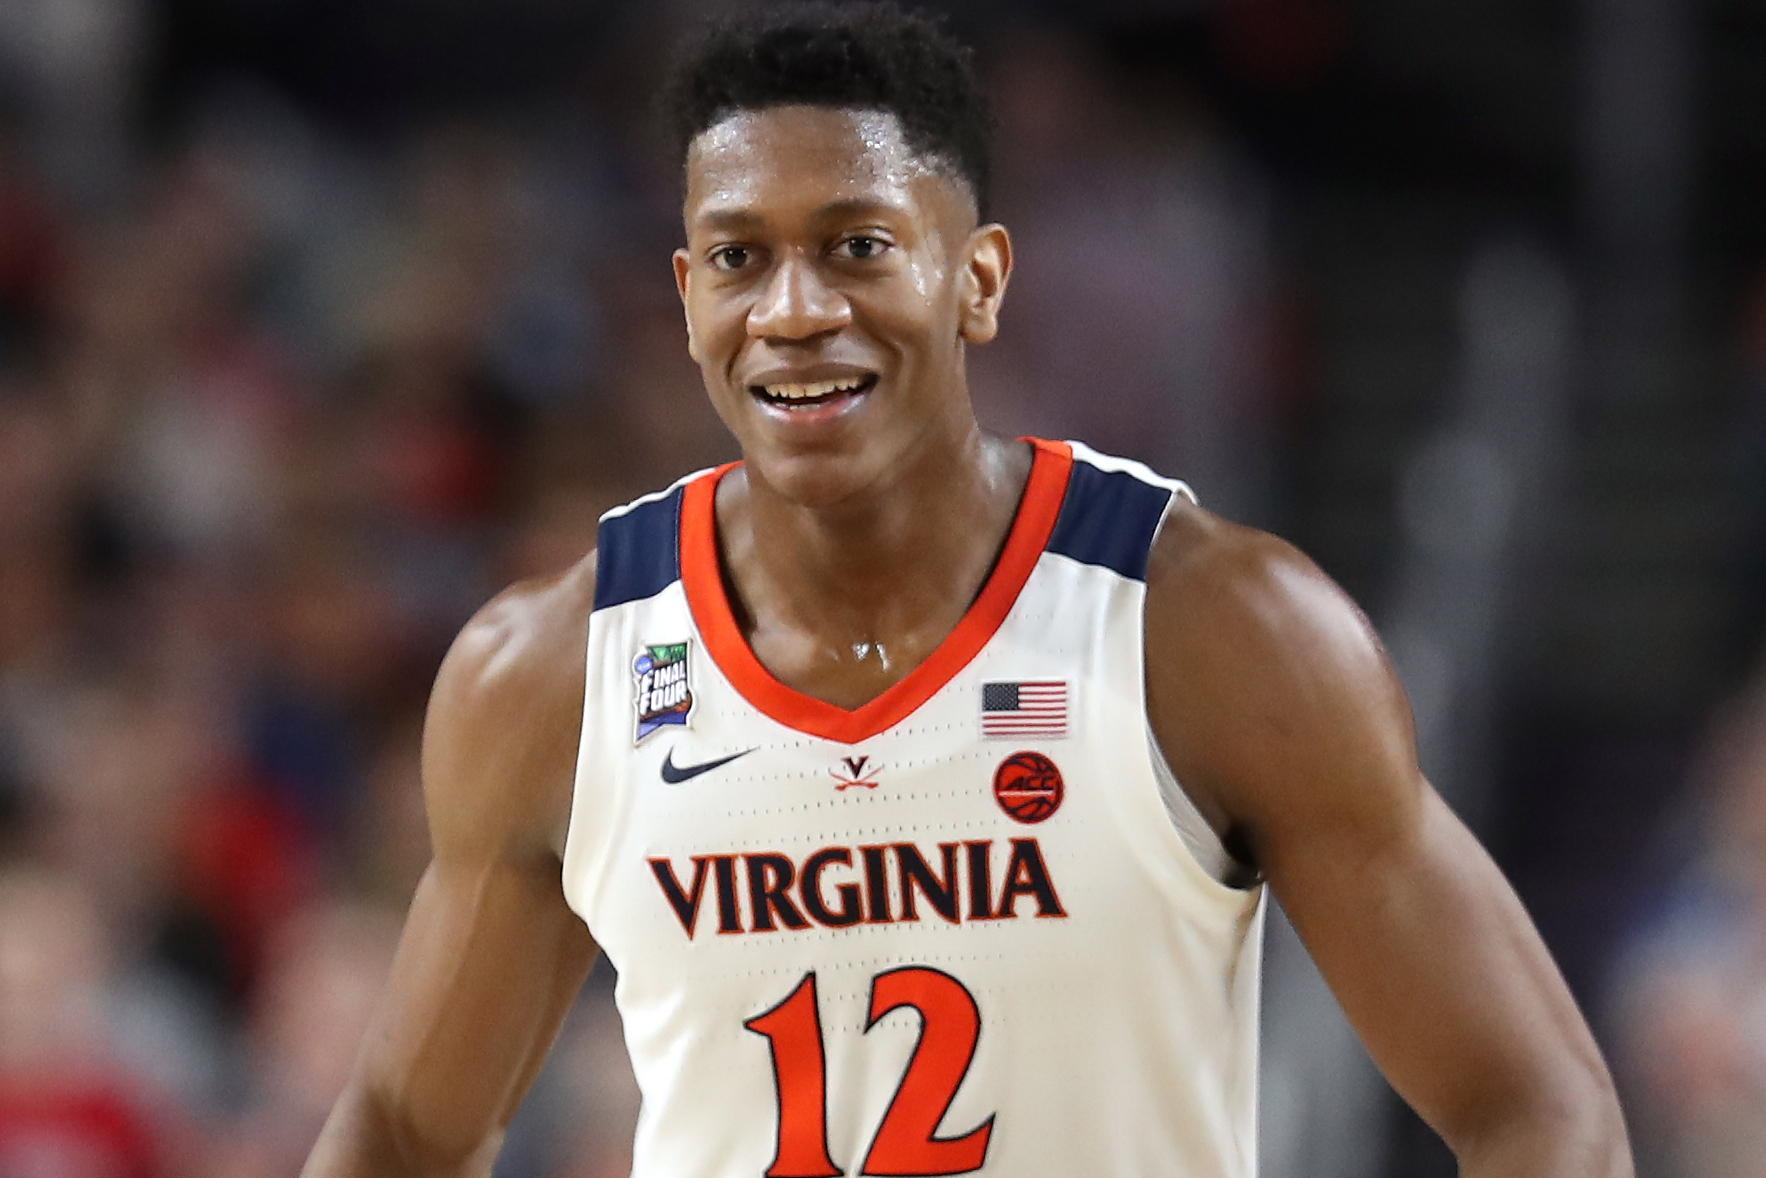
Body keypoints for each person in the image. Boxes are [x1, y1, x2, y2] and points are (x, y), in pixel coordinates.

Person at [302, 4, 1632, 1176]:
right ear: (686, 296)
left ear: (977, 279)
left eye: (857, 244)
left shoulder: (1211, 625)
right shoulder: (548, 674)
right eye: (737, 257)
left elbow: (1535, 1104)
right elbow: (404, 1135)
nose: (792, 306)